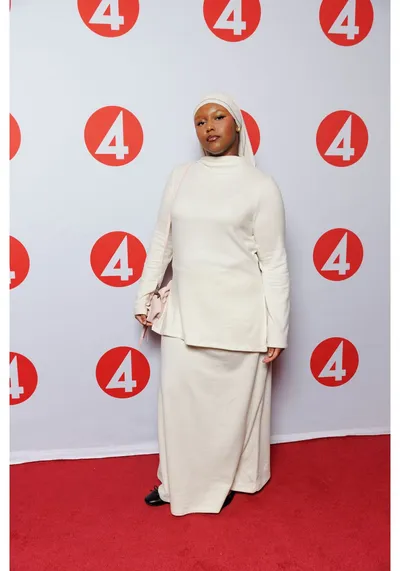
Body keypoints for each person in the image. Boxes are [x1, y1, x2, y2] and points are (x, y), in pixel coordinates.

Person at [134, 93, 290, 517]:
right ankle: (175, 483)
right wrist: (145, 293)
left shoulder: (261, 185)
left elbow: (274, 262)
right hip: (184, 315)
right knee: (179, 408)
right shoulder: (181, 177)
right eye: (200, 121)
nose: (209, 127)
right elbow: (162, 240)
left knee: (231, 413)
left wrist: (277, 327)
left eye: (218, 117)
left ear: (236, 125)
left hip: (241, 319)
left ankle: (233, 479)